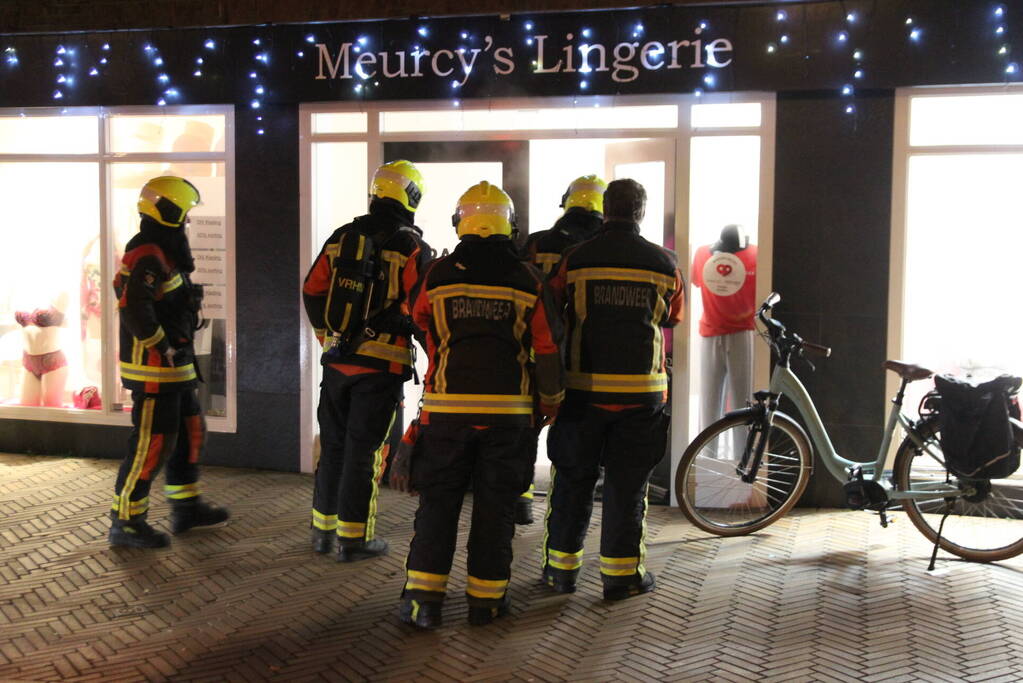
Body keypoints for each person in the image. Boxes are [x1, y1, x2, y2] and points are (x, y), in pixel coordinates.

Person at [396, 181, 563, 629]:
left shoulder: (439, 273)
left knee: (438, 506)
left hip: (445, 415)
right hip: (509, 419)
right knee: (496, 511)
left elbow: (418, 319)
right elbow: (548, 348)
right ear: (509, 226)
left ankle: (423, 603)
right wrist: (548, 403)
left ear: (461, 221)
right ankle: (485, 604)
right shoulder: (528, 279)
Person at [542, 178, 684, 600]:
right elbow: (673, 317)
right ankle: (621, 579)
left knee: (572, 482)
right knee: (627, 488)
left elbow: (549, 308)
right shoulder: (665, 262)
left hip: (582, 394)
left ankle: (560, 573)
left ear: (606, 209)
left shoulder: (576, 258)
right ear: (640, 212)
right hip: (641, 396)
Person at [302, 160, 432, 562]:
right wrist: (438, 361)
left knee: (335, 448)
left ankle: (323, 533)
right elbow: (422, 311)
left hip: (337, 364)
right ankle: (354, 540)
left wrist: (330, 337)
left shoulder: (342, 236)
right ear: (411, 196)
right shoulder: (411, 247)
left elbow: (311, 290)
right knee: (365, 453)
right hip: (382, 368)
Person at [109, 175, 230, 548]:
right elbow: (134, 307)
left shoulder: (164, 252)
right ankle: (127, 522)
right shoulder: (148, 252)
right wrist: (164, 345)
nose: (188, 222)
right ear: (168, 212)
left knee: (190, 433)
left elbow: (162, 302)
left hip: (176, 367)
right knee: (152, 443)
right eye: (184, 214)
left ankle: (185, 507)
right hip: (154, 370)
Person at [515, 174, 607, 525]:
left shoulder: (538, 243)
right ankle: (564, 499)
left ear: (567, 202)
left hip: (534, 350)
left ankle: (521, 500)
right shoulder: (600, 247)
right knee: (572, 436)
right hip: (583, 356)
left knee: (528, 425)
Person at [691, 225, 757, 432]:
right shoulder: (703, 253)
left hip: (743, 331)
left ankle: (742, 460)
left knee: (743, 403)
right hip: (711, 331)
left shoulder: (757, 255)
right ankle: (705, 458)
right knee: (709, 402)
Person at [16, 291, 69, 407]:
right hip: (29, 361)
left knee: (52, 409)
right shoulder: (19, 290)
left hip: (52, 361)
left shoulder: (60, 291)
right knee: (26, 408)